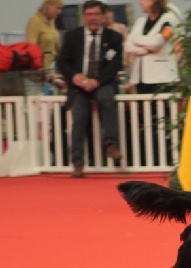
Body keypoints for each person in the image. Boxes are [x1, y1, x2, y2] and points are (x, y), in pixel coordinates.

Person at [57, 0, 123, 178]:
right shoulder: (71, 37)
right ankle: (77, 163)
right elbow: (62, 61)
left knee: (107, 99)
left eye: (96, 14)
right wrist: (74, 76)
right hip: (79, 85)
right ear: (84, 17)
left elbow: (116, 65)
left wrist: (98, 81)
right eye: (89, 14)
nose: (92, 18)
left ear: (102, 16)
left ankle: (111, 144)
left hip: (102, 83)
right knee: (78, 117)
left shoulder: (114, 38)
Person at [125, 0, 180, 94]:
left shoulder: (169, 20)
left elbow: (157, 43)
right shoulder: (140, 21)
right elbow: (128, 46)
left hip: (162, 77)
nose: (140, 2)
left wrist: (135, 39)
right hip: (140, 78)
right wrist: (146, 50)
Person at [26, 0, 63, 70]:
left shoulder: (52, 21)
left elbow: (57, 46)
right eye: (57, 8)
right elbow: (31, 46)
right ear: (48, 6)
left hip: (52, 66)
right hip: (40, 67)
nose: (60, 12)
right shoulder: (34, 20)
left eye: (60, 9)